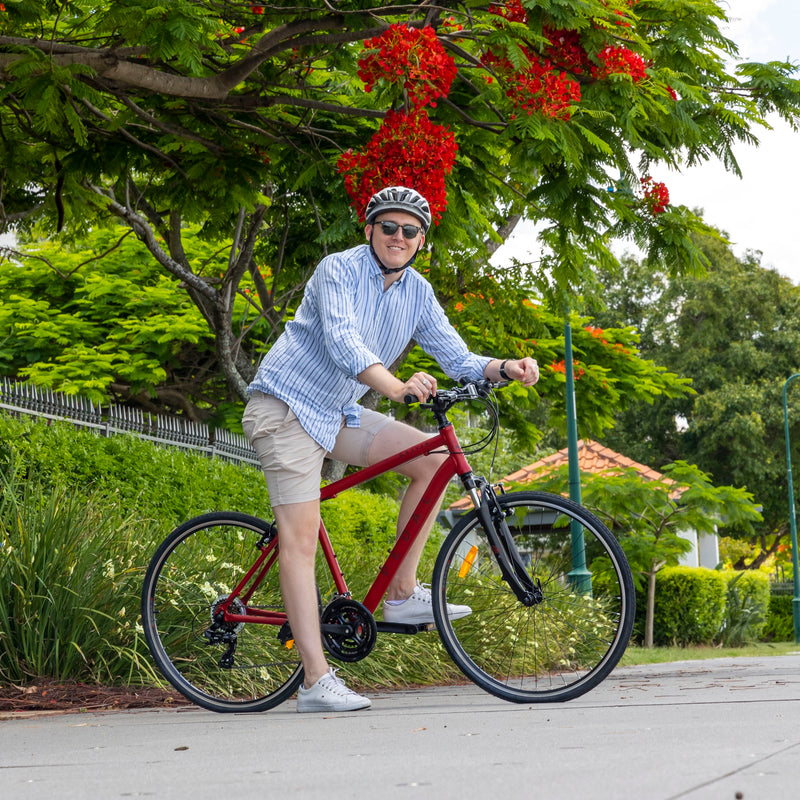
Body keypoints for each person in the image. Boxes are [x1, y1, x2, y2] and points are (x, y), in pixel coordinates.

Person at [242, 186, 539, 713]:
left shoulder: (417, 292)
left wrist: (503, 369)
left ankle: (401, 593)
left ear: (421, 240)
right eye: (389, 227)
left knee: (432, 460)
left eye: (410, 230)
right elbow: (342, 342)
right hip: (285, 408)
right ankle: (314, 681)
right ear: (370, 231)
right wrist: (397, 387)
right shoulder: (338, 270)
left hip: (336, 413)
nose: (398, 237)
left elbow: (458, 355)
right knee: (300, 539)